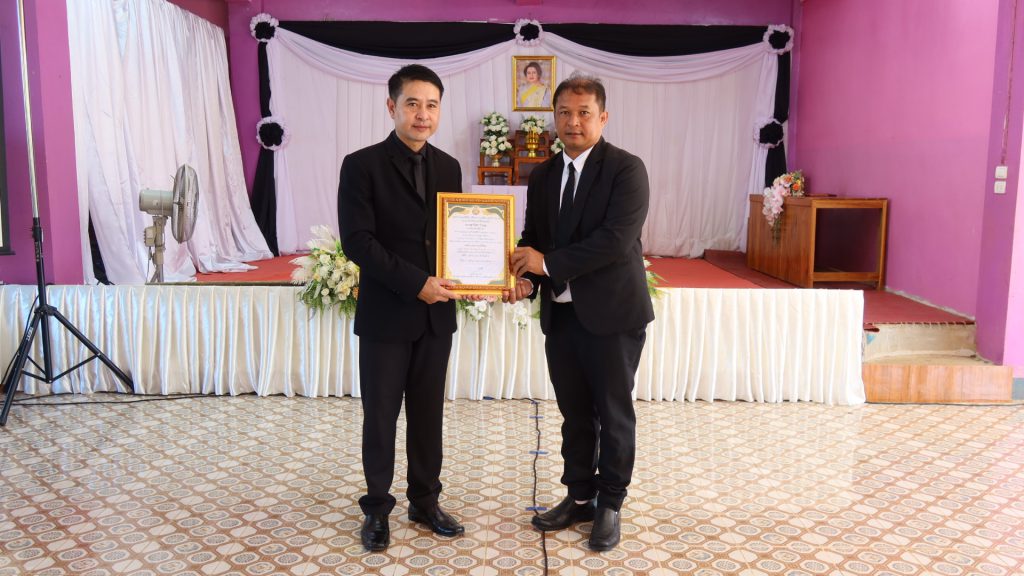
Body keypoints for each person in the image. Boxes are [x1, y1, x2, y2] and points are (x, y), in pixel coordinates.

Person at [507, 72, 654, 552]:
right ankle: (579, 496)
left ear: (602, 117)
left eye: (584, 113)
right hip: (563, 316)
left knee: (613, 413)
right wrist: (525, 278)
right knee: (574, 414)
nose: (573, 122)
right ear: (554, 117)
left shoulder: (626, 169)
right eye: (565, 113)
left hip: (612, 316)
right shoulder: (544, 174)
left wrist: (545, 264)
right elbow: (534, 238)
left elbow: (614, 241)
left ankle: (610, 503)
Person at [338, 64, 466, 552]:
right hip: (387, 316)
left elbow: (456, 235)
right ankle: (376, 507)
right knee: (381, 416)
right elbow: (358, 242)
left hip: (436, 318)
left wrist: (477, 275)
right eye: (413, 104)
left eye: (431, 105)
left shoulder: (450, 167)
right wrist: (417, 284)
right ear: (392, 107)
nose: (422, 114)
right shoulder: (361, 165)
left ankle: (425, 501)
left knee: (428, 415)